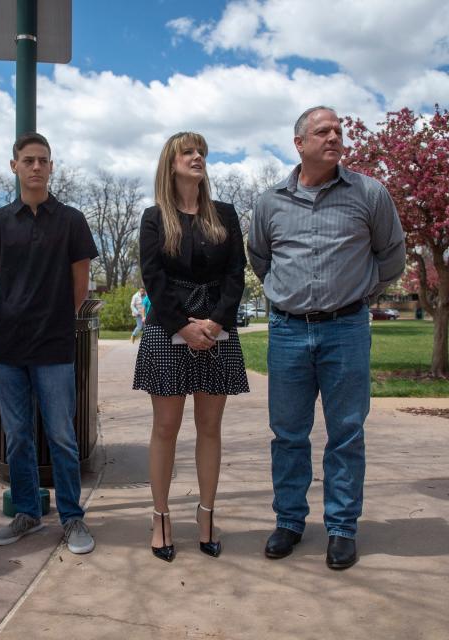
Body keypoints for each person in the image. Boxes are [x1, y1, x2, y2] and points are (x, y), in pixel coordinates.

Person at [248, 106, 405, 568]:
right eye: (323, 131)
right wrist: (289, 294)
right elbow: (260, 257)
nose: (334, 136)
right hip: (288, 330)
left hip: (347, 329)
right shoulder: (269, 202)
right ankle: (290, 522)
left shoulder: (369, 193)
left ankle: (341, 527)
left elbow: (391, 255)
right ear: (299, 143)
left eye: (338, 130)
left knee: (346, 433)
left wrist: (358, 293)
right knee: (288, 433)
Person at [0, 132, 99, 554]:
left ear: (51, 166)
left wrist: (53, 318)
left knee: (63, 435)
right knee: (18, 436)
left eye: (43, 160)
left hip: (54, 345)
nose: (35, 167)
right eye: (28, 160)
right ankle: (26, 512)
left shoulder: (71, 220)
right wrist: (14, 311)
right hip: (7, 345)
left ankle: (71, 517)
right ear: (14, 166)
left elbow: (78, 286)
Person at [133, 131, 249, 562]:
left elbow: (236, 272)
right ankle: (161, 516)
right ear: (172, 162)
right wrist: (183, 326)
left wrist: (216, 323)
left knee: (210, 428)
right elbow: (153, 277)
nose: (197, 156)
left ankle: (206, 514)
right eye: (188, 151)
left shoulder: (224, 214)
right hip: (169, 325)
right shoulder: (152, 217)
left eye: (201, 151)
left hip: (216, 325)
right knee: (165, 427)